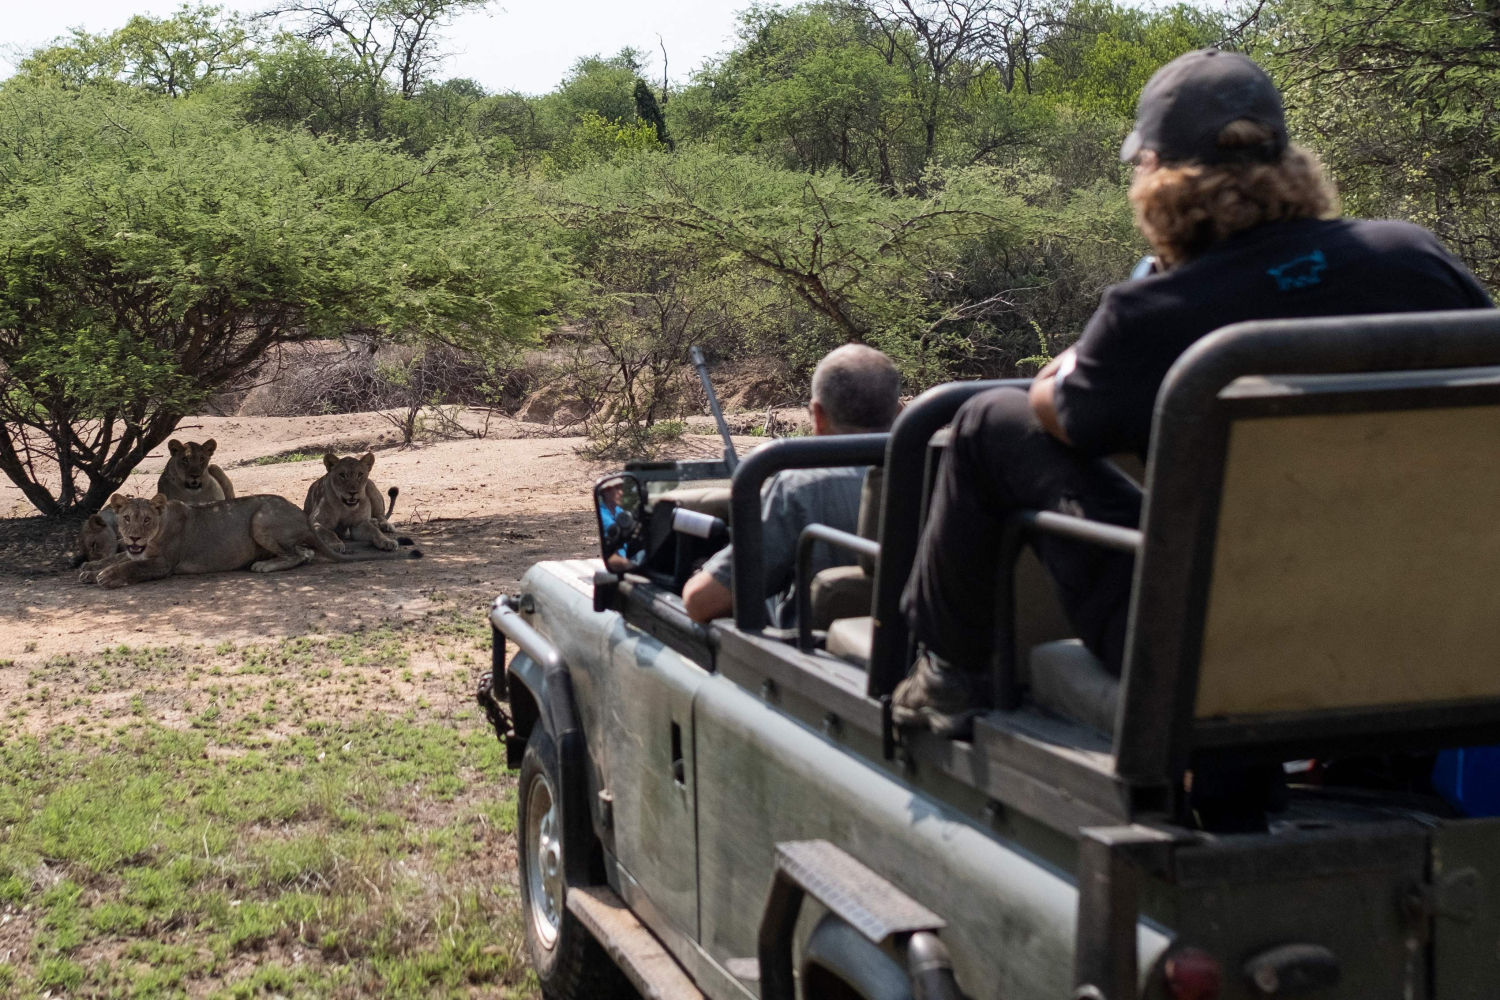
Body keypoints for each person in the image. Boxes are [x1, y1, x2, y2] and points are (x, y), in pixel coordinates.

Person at [893, 48, 1495, 739]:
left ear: (1155, 174)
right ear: (1288, 162)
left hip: (1213, 646)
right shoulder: (1413, 257)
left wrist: (1087, 345)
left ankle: (947, 670)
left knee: (985, 418)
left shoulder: (1152, 313)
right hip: (1443, 623)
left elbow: (1054, 412)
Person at [682, 343, 902, 626]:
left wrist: (700, 573)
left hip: (813, 651)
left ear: (818, 416)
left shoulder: (801, 488)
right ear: (899, 412)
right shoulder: (937, 477)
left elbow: (700, 603)